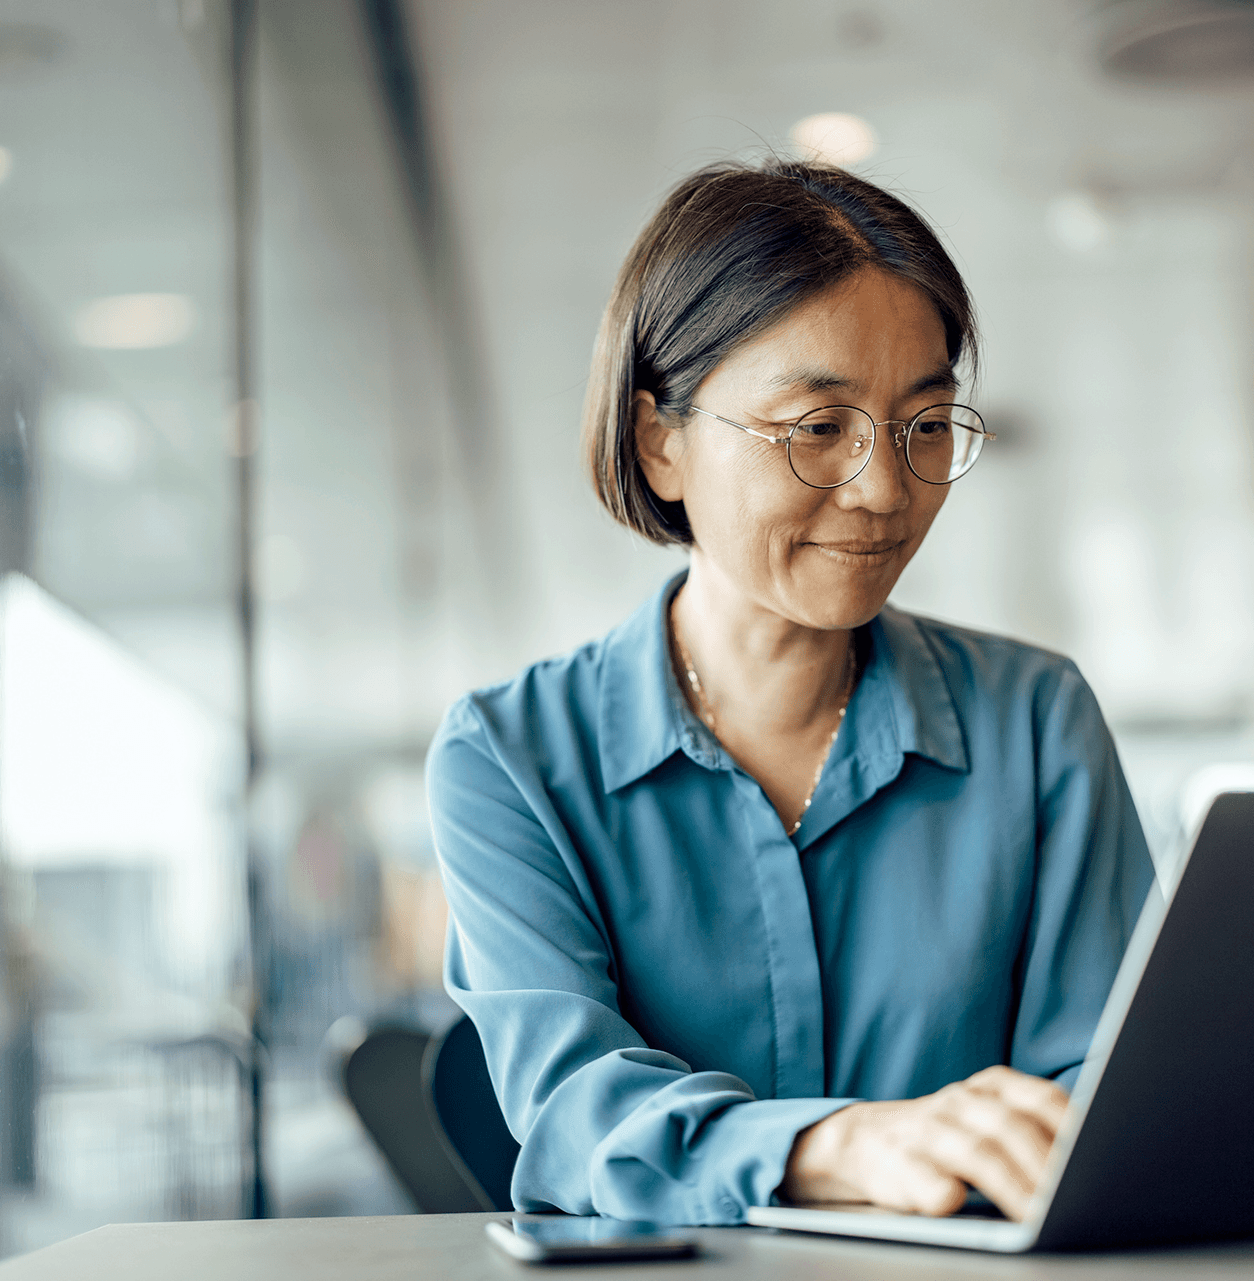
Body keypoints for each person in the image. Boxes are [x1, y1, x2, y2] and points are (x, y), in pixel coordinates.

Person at [425, 158, 1154, 1227]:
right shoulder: (511, 756)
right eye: (819, 429)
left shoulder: (1035, 721)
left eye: (926, 425)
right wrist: (843, 1144)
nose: (885, 491)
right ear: (659, 441)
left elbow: (1105, 1090)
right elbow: (576, 1113)